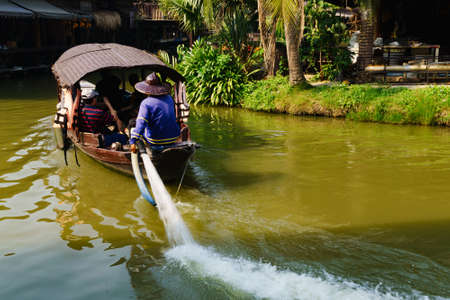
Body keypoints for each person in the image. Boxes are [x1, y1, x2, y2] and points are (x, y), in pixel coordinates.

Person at [129, 73, 180, 153]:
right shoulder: (169, 98)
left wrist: (133, 140)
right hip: (174, 137)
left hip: (155, 140)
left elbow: (141, 123)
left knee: (132, 127)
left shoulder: (146, 103)